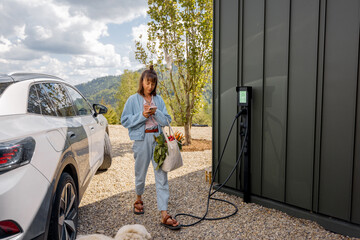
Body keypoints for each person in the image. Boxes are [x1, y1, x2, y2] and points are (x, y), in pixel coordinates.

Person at [121, 65, 181, 230]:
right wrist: (142, 115)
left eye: (153, 84)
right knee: (140, 172)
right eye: (148, 83)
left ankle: (164, 213)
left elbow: (167, 120)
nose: (150, 86)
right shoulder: (133, 100)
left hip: (158, 140)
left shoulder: (159, 100)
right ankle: (139, 198)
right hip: (141, 140)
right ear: (142, 82)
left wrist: (155, 113)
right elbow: (124, 120)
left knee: (162, 175)